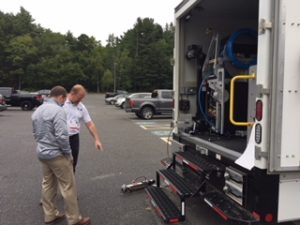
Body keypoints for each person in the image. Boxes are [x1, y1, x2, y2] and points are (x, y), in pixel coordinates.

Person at [32, 86, 91, 225]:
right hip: (57, 155)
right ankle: (74, 219)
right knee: (68, 186)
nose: (63, 102)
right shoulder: (58, 111)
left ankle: (50, 215)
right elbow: (62, 136)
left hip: (42, 153)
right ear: (60, 97)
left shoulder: (38, 110)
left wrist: (43, 145)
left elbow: (35, 133)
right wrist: (68, 154)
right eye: (63, 99)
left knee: (48, 184)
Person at [63, 84, 103, 172]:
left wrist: (97, 139)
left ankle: (70, 184)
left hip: (74, 138)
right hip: (60, 138)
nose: (80, 100)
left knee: (72, 163)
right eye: (79, 97)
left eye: (82, 98)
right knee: (58, 164)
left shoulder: (81, 107)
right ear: (72, 93)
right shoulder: (61, 102)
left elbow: (90, 124)